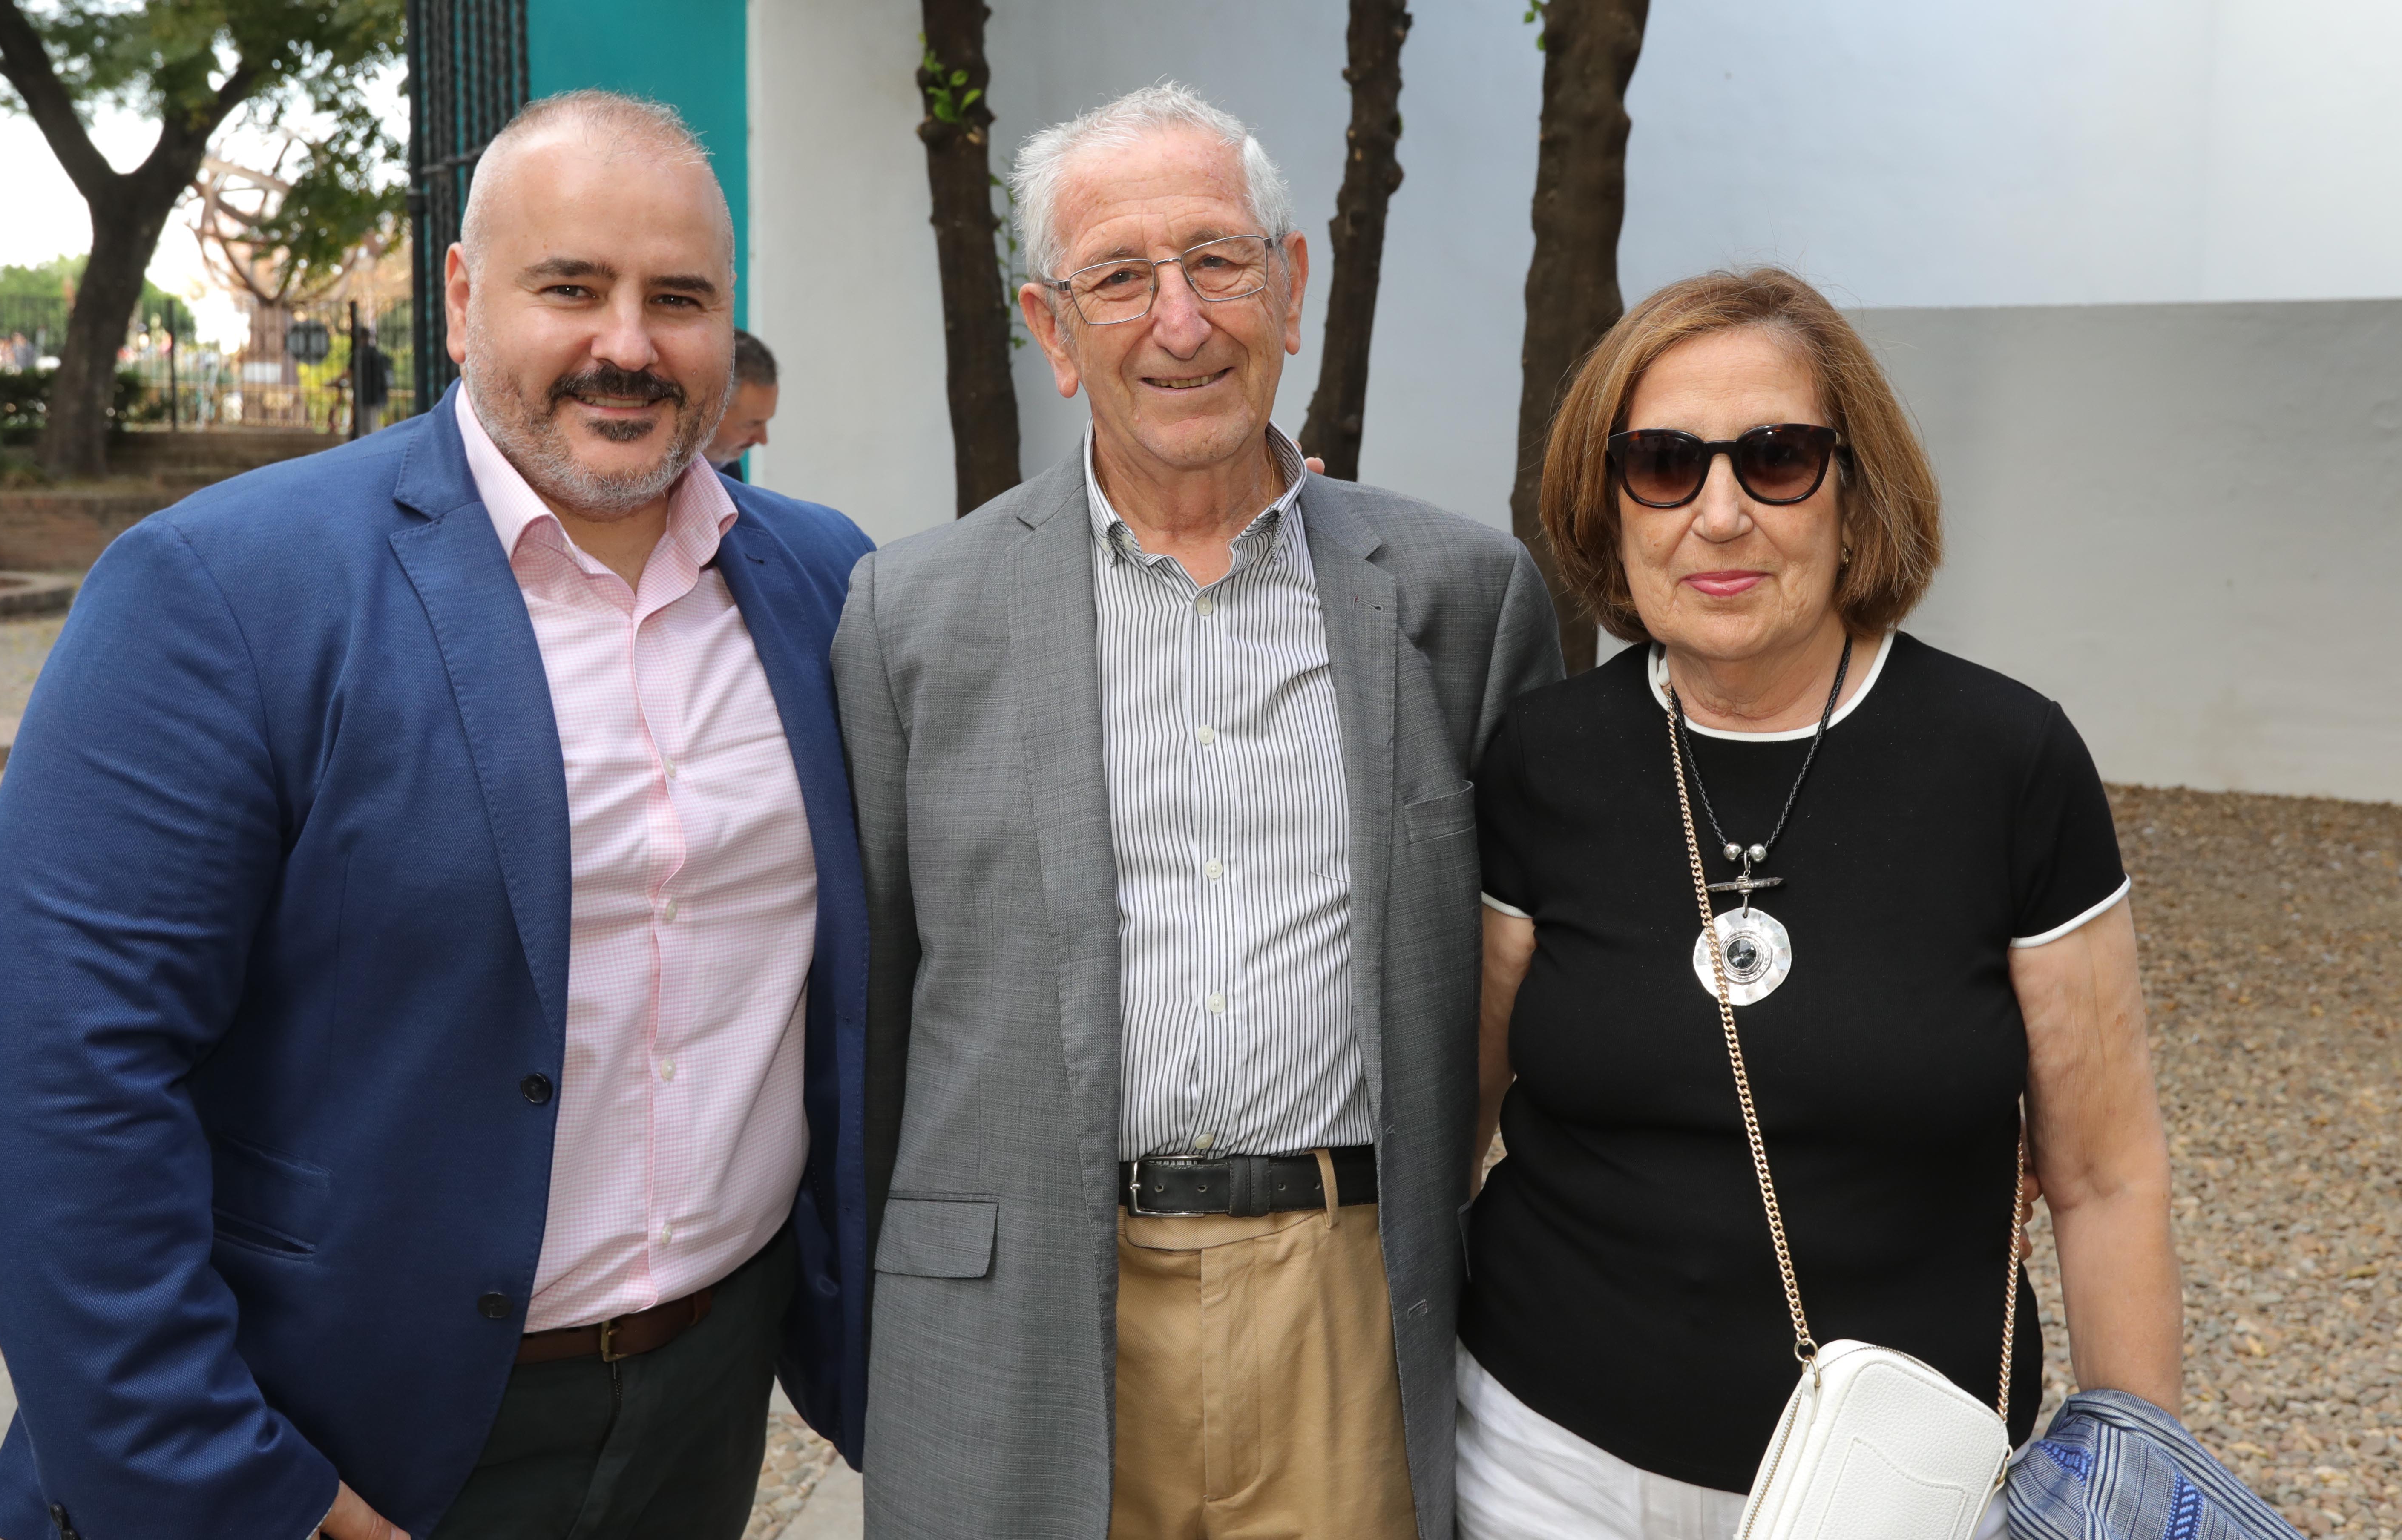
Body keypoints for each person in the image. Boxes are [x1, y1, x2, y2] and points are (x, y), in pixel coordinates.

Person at [0, 91, 876, 1540]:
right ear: (460, 298)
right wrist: (240, 1492)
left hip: (700, 1415)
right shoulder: (225, 591)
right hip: (341, 1440)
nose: (627, 345)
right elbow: (60, 1078)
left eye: (678, 299)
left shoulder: (827, 589)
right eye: (570, 287)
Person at [833, 82, 1564, 1540]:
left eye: (1220, 262)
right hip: (1032, 1297)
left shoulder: (1460, 601)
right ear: (1051, 332)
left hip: (1350, 1302)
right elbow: (867, 1017)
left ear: (1290, 291)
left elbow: (1527, 972)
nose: (1182, 320)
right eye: (1120, 278)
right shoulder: (911, 619)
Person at [1455, 268, 2182, 1540]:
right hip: (1541, 1457)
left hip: (1896, 1481)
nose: (1718, 512)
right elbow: (1458, 1116)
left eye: (1775, 458)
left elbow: (2104, 1175)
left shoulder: (2003, 762)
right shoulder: (1541, 759)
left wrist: (2137, 1494)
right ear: (1606, 503)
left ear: (1854, 490)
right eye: (1663, 463)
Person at [708, 327, 779, 474]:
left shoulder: (728, 469)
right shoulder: (654, 480)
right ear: (708, 409)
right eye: (752, 424)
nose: (763, 440)